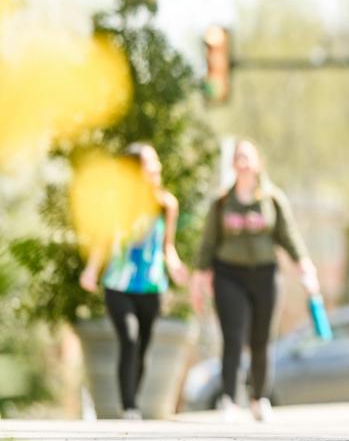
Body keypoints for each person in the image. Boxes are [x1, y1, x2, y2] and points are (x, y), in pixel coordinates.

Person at [191, 138, 319, 423]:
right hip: (229, 275)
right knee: (233, 337)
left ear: (258, 162)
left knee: (261, 339)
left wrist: (306, 268)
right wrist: (199, 282)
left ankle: (259, 397)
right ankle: (229, 399)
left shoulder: (272, 199)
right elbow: (207, 245)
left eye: (248, 156)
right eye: (238, 156)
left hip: (265, 274)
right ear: (233, 164)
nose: (243, 161)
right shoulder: (222, 201)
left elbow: (290, 237)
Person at [79, 143, 187, 419]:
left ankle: (132, 399)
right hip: (118, 284)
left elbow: (167, 247)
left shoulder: (166, 204)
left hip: (151, 287)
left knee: (142, 347)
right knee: (129, 339)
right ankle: (129, 407)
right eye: (150, 163)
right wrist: (91, 270)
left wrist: (174, 266)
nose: (157, 168)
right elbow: (102, 242)